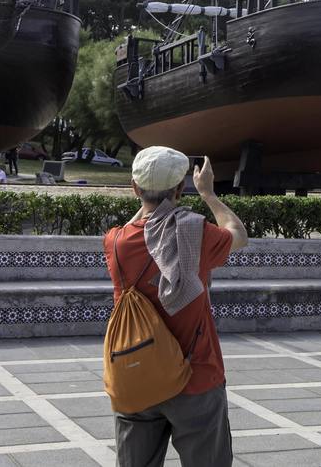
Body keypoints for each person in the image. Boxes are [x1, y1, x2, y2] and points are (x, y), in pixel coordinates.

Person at [104, 147, 248, 467]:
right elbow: (238, 234)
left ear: (135, 188)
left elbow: (132, 229)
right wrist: (208, 193)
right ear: (179, 190)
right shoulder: (196, 234)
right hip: (195, 376)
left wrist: (143, 203)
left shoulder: (115, 242)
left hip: (136, 374)